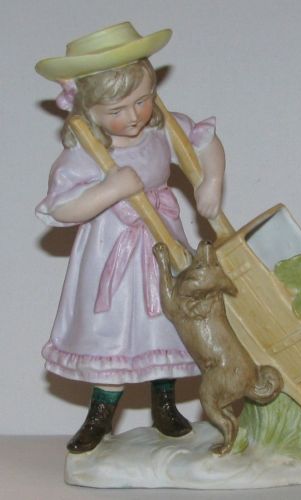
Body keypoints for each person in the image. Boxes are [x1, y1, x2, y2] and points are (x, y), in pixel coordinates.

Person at [35, 22, 225, 453]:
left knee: (168, 324)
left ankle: (165, 406)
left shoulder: (160, 131)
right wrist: (110, 190)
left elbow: (203, 142)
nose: (134, 116)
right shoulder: (85, 152)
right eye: (117, 110)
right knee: (113, 332)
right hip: (111, 254)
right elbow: (60, 208)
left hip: (163, 244)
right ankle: (100, 417)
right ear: (89, 110)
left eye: (142, 100)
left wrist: (210, 181)